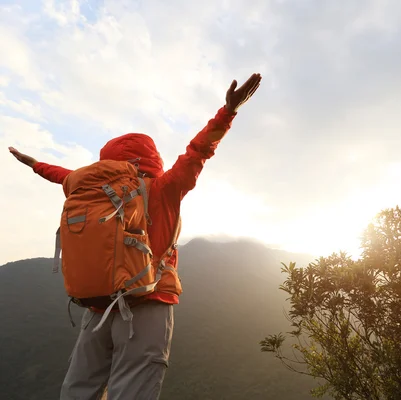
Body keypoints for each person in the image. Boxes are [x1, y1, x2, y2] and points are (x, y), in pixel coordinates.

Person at [8, 73, 262, 400]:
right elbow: (198, 151)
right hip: (149, 302)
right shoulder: (165, 188)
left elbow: (59, 175)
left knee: (78, 390)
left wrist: (33, 163)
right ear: (152, 159)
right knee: (133, 390)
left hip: (98, 305)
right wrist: (228, 111)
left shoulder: (87, 187)